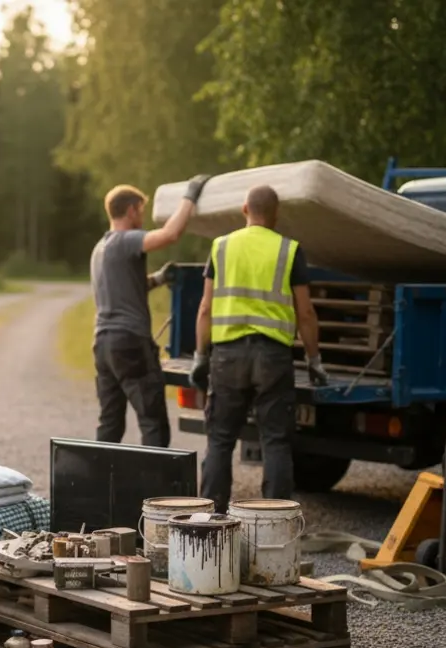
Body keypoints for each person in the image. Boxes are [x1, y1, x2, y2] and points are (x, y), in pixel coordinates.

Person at [191, 184, 329, 513]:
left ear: (244, 209)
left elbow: (205, 309)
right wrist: (314, 360)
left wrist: (200, 355)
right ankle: (273, 520)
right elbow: (305, 312)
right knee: (275, 441)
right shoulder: (289, 250)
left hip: (227, 356)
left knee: (220, 441)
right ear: (276, 214)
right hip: (272, 357)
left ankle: (210, 520)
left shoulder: (221, 246)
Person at [90, 176, 210, 447]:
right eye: (141, 211)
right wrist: (190, 196)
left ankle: (97, 486)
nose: (142, 218)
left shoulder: (101, 248)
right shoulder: (126, 240)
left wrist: (158, 278)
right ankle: (152, 488)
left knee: (110, 424)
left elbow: (129, 286)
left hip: (103, 346)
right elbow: (170, 234)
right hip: (130, 343)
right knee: (153, 423)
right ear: (131, 210)